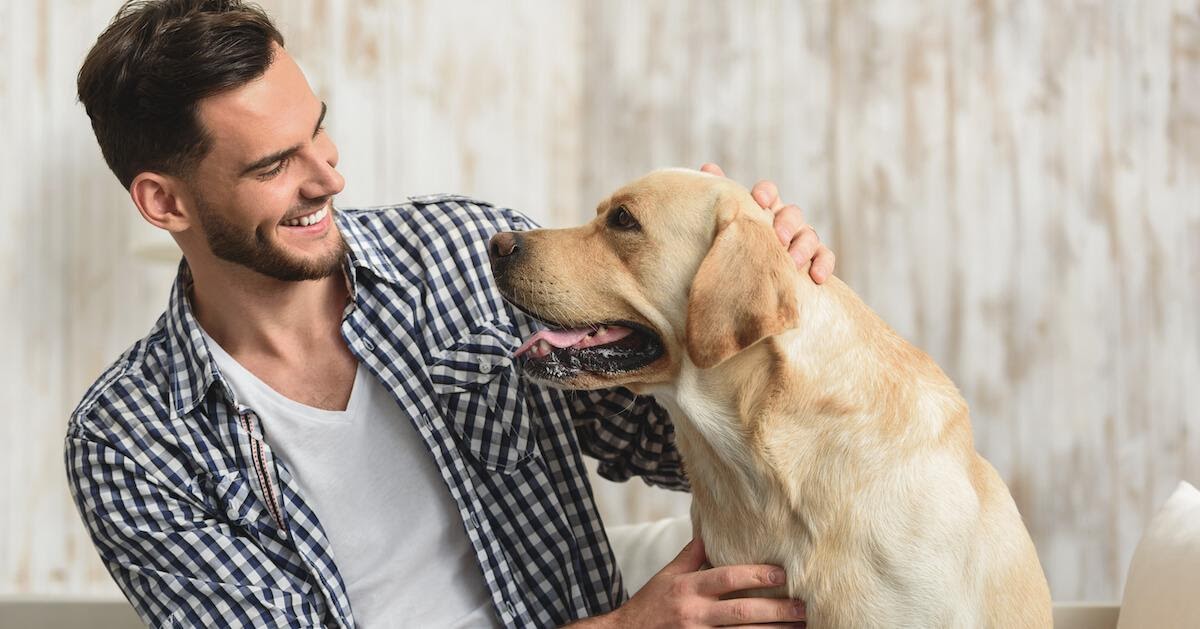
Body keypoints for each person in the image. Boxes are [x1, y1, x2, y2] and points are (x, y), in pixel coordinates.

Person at [65, 1, 836, 627]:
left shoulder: (463, 252)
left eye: (318, 129)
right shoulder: (130, 439)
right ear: (164, 202)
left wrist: (753, 294)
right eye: (273, 165)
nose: (329, 175)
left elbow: (673, 448)